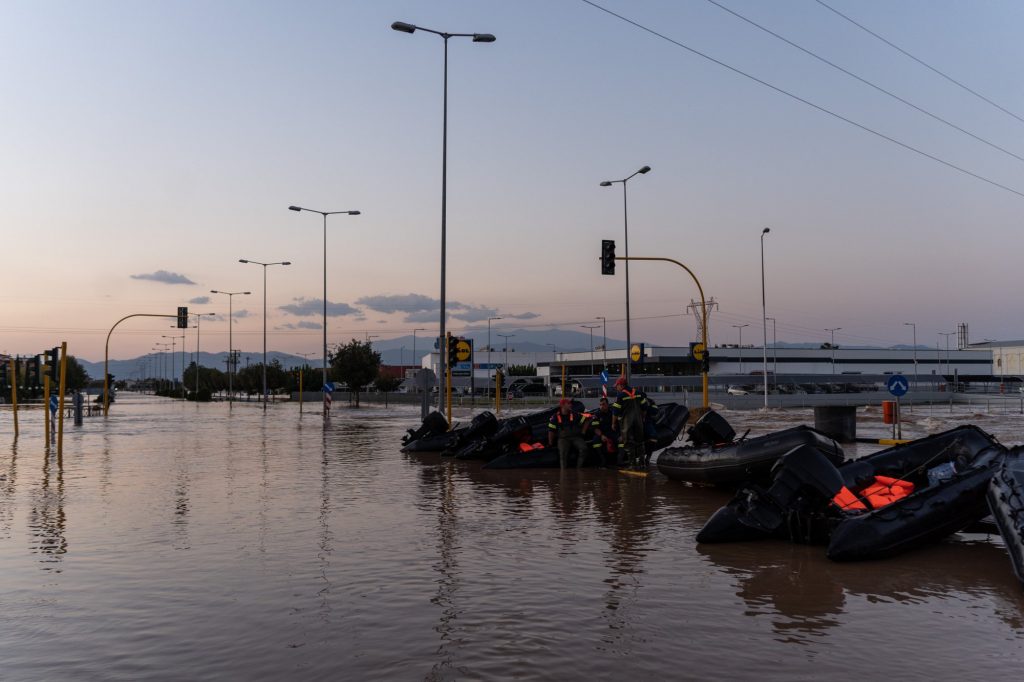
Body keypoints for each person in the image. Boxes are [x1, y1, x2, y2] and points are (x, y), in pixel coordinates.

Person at [611, 376, 657, 468]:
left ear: (621, 385)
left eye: (617, 386)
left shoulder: (620, 396)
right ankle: (642, 463)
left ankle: (632, 464)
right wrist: (642, 418)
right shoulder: (639, 393)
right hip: (639, 422)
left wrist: (613, 423)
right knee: (640, 442)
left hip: (627, 423)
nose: (616, 388)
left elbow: (615, 412)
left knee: (628, 443)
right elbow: (645, 408)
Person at [548, 398, 591, 469]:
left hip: (576, 437)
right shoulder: (555, 417)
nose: (570, 405)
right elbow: (551, 431)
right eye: (568, 404)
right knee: (563, 453)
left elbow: (587, 420)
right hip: (563, 438)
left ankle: (579, 468)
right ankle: (563, 472)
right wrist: (550, 443)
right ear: (563, 405)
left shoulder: (574, 414)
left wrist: (583, 432)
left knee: (584, 449)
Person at [590, 396, 618, 467]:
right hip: (601, 433)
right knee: (595, 441)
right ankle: (602, 460)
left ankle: (618, 461)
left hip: (611, 432)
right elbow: (595, 428)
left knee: (619, 441)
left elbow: (618, 425)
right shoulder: (597, 414)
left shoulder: (613, 413)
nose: (601, 406)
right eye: (600, 405)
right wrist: (601, 435)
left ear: (607, 405)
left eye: (603, 404)